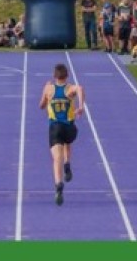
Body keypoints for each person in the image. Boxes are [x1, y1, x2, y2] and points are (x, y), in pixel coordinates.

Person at [38, 64, 84, 206]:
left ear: (54, 76)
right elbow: (80, 88)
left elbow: (41, 105)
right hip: (70, 128)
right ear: (67, 76)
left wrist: (46, 94)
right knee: (67, 143)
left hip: (55, 127)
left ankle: (58, 184)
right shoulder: (70, 89)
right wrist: (81, 106)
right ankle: (67, 164)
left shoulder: (49, 89)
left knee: (56, 157)